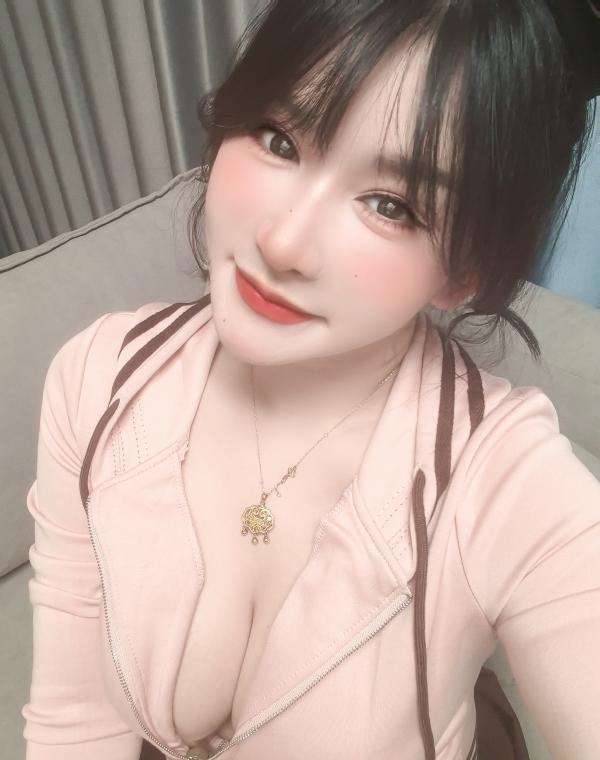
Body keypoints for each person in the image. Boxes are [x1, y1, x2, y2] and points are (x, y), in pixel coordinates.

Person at [22, 1, 600, 759]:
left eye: (391, 205)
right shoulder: (97, 380)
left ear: (462, 271)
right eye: (279, 138)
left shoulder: (504, 478)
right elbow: (75, 720)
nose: (283, 242)